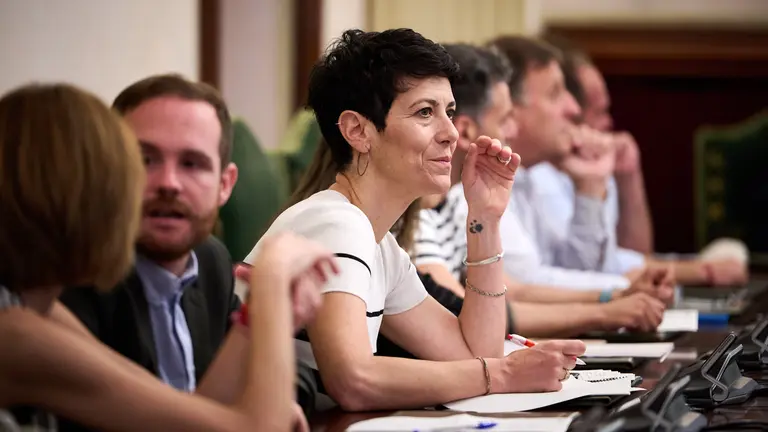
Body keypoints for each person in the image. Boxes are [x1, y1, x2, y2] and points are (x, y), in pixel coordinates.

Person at [243, 28, 586, 412]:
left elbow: (473, 353)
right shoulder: (336, 223)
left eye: (450, 112)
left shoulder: (379, 244)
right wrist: (503, 374)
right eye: (426, 112)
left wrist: (485, 219)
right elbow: (353, 380)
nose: (452, 134)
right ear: (358, 131)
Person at [0, 82, 334, 431]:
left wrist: (257, 313)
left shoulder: (36, 309)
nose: (163, 184)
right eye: (137, 165)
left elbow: (178, 414)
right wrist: (273, 273)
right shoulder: (15, 331)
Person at [412, 43, 670, 337]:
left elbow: (510, 291)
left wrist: (613, 298)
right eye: (505, 119)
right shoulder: (415, 214)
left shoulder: (456, 202)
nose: (513, 130)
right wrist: (606, 308)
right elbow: (464, 314)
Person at [530, 34, 748, 286]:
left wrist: (628, 178)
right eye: (600, 111)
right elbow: (581, 274)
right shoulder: (539, 175)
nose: (608, 123)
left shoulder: (590, 161)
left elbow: (630, 255)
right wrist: (699, 271)